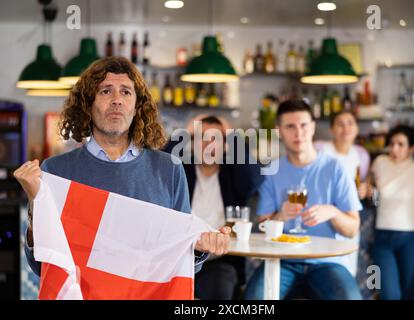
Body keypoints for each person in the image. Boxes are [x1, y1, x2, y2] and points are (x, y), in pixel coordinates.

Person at [13, 56, 230, 279]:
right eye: (106, 91)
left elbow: (181, 263)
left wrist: (199, 248)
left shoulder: (169, 169)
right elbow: (42, 265)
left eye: (126, 92)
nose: (117, 100)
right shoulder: (56, 171)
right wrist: (35, 203)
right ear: (88, 104)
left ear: (137, 107)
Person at [244, 99, 363, 300]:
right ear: (279, 131)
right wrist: (280, 216)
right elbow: (264, 226)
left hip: (328, 262)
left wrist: (333, 212)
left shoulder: (336, 169)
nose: (298, 132)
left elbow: (352, 229)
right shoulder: (271, 172)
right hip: (281, 261)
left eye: (304, 125)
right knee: (254, 299)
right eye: (290, 126)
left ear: (313, 128)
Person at [164, 114, 264, 299]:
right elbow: (158, 166)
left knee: (220, 289)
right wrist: (185, 132)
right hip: (179, 258)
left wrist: (232, 134)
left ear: (225, 146)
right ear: (193, 143)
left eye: (216, 139)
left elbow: (255, 179)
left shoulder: (234, 174)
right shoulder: (181, 170)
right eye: (202, 138)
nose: (209, 144)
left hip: (219, 260)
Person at [367, 125, 414, 300]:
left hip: (412, 239)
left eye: (401, 144)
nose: (394, 148)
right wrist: (371, 192)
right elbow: (377, 200)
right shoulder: (380, 162)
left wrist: (413, 134)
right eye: (392, 143)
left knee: (410, 294)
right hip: (382, 238)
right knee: (388, 294)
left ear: (412, 148)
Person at [315, 110, 371, 277]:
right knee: (321, 265)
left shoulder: (362, 155)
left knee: (346, 268)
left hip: (348, 217)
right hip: (321, 216)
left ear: (356, 128)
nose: (346, 128)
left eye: (350, 123)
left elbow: (362, 184)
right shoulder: (319, 149)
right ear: (332, 129)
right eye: (340, 124)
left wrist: (365, 189)